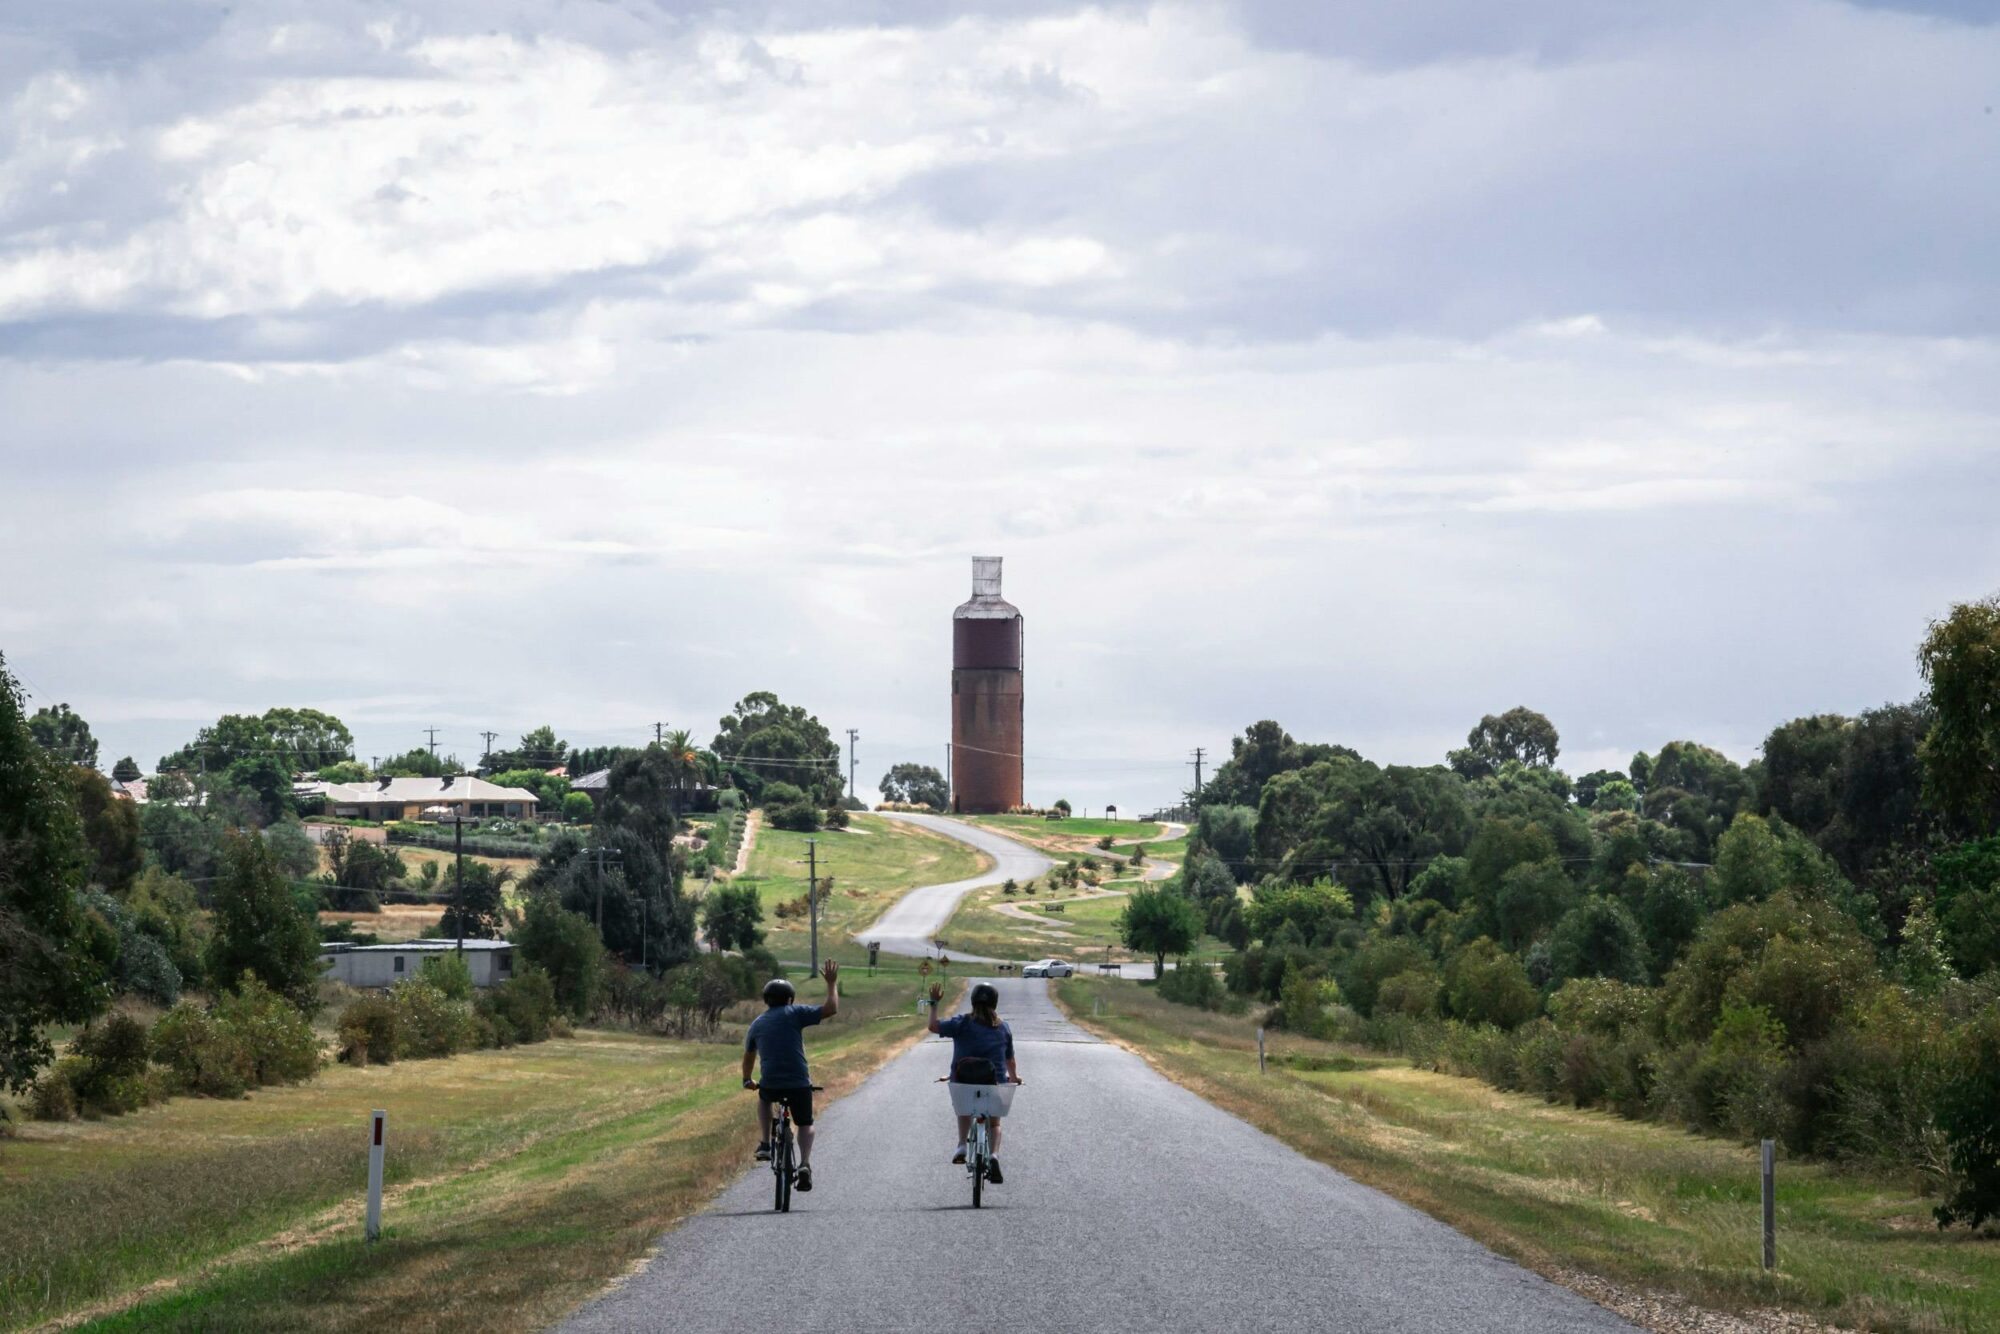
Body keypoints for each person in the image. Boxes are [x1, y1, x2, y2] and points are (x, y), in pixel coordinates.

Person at [743, 959, 839, 1192]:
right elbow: (831, 1009)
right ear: (790, 999)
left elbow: (749, 1056)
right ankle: (804, 1164)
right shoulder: (795, 1013)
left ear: (766, 1000)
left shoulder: (757, 1024)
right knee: (805, 1123)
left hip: (772, 1082)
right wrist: (831, 984)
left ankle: (766, 1143)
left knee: (764, 1099)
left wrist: (747, 1080)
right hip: (798, 1083)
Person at [926, 979, 1020, 1184]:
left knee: (964, 1107)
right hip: (993, 1083)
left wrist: (934, 1002)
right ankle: (994, 1156)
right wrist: (1013, 1078)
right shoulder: (1003, 1028)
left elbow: (933, 1026)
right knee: (994, 1123)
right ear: (995, 1003)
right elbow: (1009, 1060)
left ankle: (962, 1145)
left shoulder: (961, 1023)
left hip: (963, 1082)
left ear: (972, 1001)